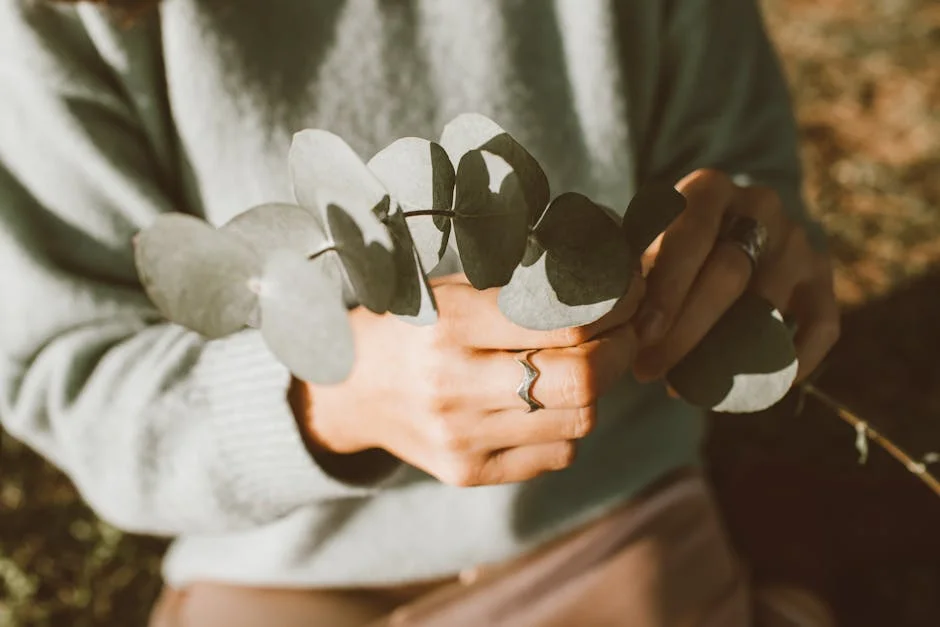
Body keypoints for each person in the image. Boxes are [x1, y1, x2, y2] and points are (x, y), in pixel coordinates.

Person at [0, 0, 841, 625]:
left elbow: (747, 192)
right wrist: (333, 393)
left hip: (601, 525)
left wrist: (754, 264)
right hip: (285, 572)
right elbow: (70, 364)